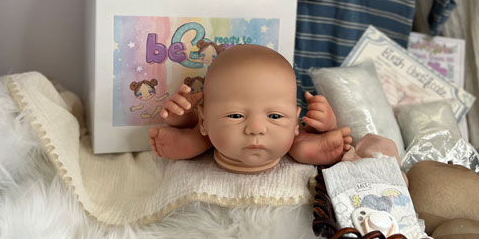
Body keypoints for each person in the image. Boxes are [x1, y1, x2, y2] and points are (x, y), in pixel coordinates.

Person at [148, 44, 352, 173]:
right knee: (203, 138)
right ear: (202, 120)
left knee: (297, 144)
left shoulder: (295, 128)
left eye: (274, 115)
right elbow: (194, 119)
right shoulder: (205, 124)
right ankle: (186, 143)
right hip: (208, 134)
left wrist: (326, 124)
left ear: (297, 120)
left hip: (293, 137)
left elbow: (302, 124)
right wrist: (180, 117)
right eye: (236, 115)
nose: (256, 129)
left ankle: (314, 146)